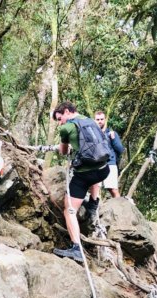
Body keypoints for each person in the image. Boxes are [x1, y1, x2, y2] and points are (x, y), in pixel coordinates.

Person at [52, 101, 110, 262]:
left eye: (59, 118)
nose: (59, 122)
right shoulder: (90, 121)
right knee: (94, 172)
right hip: (104, 169)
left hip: (85, 175)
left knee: (69, 209)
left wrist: (66, 146)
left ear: (66, 112)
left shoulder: (67, 128)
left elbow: (63, 151)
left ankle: (76, 248)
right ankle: (93, 202)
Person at [94, 111, 124, 198]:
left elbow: (120, 149)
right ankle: (94, 210)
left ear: (105, 120)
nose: (100, 121)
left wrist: (113, 139)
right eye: (97, 119)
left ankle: (120, 209)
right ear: (94, 120)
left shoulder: (112, 133)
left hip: (110, 163)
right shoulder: (92, 135)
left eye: (101, 119)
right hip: (96, 165)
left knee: (113, 189)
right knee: (95, 188)